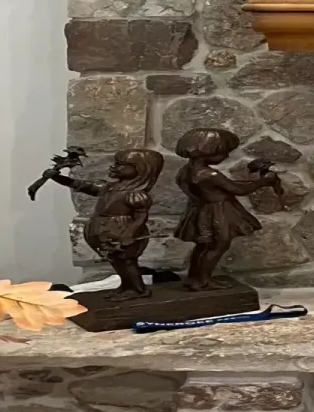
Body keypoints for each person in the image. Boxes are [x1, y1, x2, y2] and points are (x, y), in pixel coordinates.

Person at [40, 148, 165, 297]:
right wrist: (57, 177)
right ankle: (126, 286)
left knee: (127, 261)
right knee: (116, 262)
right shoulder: (109, 187)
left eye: (121, 164)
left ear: (140, 170)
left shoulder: (136, 195)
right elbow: (82, 185)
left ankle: (138, 289)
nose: (114, 167)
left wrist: (129, 234)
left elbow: (140, 218)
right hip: (105, 230)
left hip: (122, 230)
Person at [173, 127, 284, 290]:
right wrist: (263, 181)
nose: (226, 156)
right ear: (208, 151)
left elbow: (225, 187)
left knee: (203, 246)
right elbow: (238, 190)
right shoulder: (209, 175)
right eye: (224, 152)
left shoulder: (185, 171)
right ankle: (203, 280)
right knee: (219, 245)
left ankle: (194, 278)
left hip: (199, 210)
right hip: (217, 211)